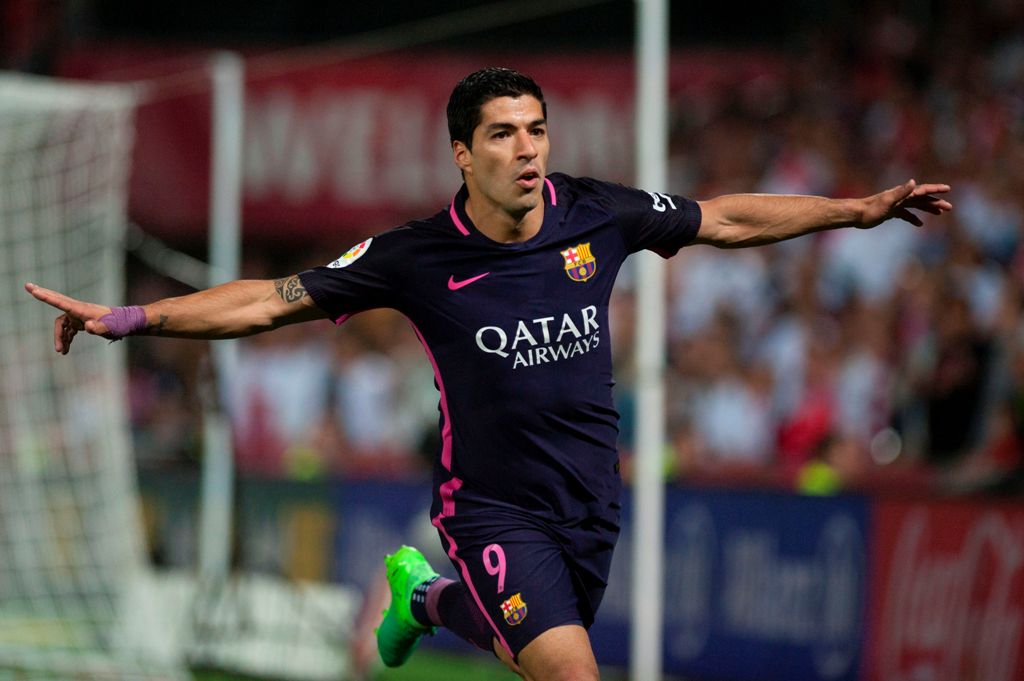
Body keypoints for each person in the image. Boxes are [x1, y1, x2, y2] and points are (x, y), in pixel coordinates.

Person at [24, 67, 952, 680]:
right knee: (569, 671)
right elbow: (269, 298)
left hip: (591, 500)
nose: (528, 148)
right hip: (492, 508)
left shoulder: (598, 213)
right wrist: (130, 318)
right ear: (463, 153)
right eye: (504, 133)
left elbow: (726, 219)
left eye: (537, 129)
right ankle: (433, 584)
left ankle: (421, 596)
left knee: (526, 651)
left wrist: (855, 210)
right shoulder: (415, 255)